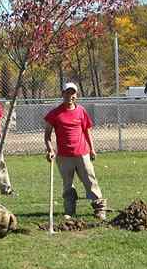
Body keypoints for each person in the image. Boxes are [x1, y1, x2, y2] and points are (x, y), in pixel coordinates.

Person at [44, 82, 107, 220]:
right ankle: (69, 210)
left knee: (90, 181)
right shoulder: (55, 113)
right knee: (68, 184)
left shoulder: (81, 111)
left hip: (82, 153)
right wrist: (50, 150)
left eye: (73, 93)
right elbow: (47, 135)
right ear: (62, 94)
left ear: (76, 95)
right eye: (67, 93)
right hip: (64, 156)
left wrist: (92, 149)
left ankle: (99, 208)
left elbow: (87, 131)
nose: (70, 96)